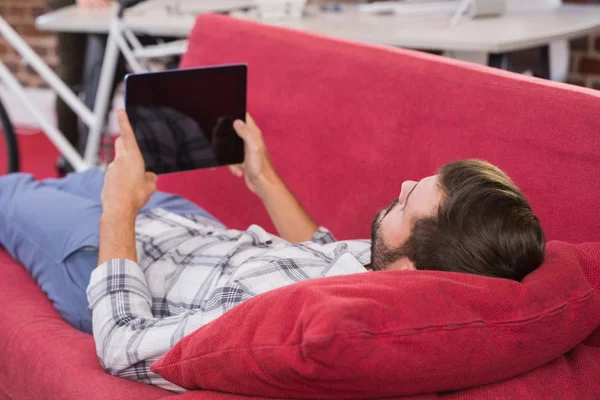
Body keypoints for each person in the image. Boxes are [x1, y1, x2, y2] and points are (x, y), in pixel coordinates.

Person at [0, 111, 546, 392]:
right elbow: (321, 252)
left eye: (409, 205)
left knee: (11, 193)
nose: (402, 186)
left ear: (408, 270)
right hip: (193, 228)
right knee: (93, 172)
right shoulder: (401, 271)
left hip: (111, 256)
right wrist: (263, 179)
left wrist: (118, 209)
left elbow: (122, 345)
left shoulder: (273, 316)